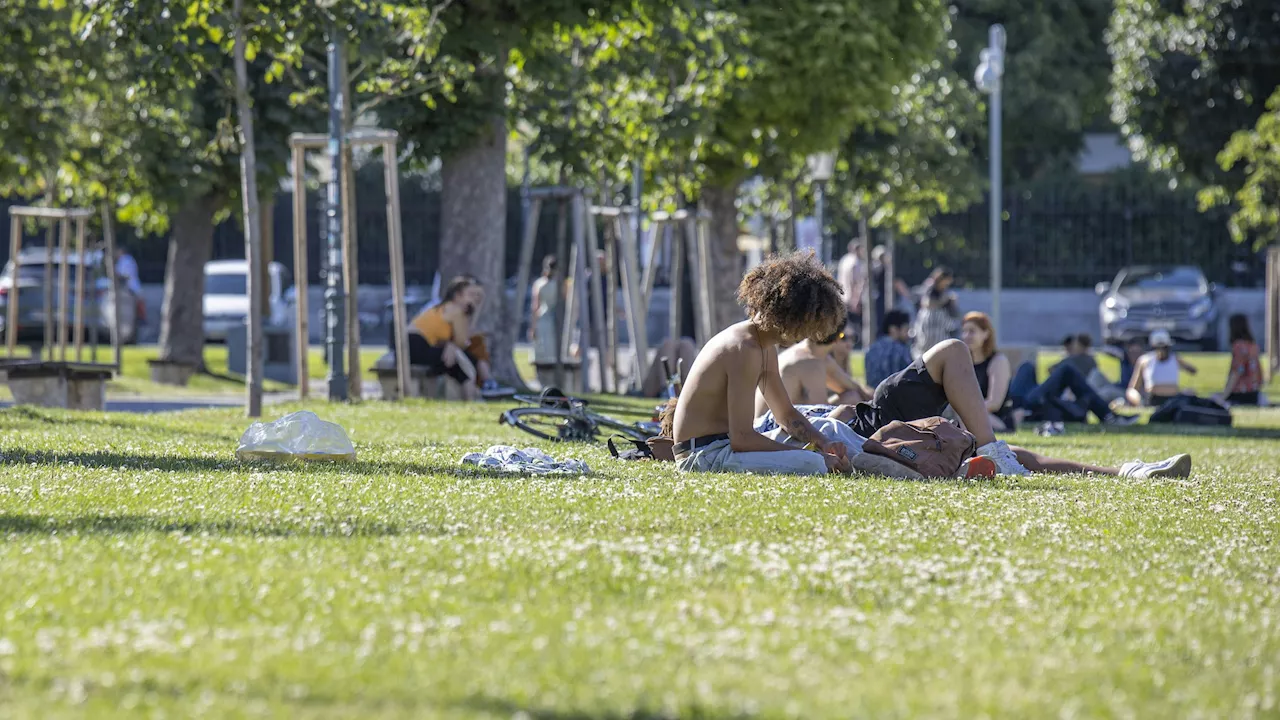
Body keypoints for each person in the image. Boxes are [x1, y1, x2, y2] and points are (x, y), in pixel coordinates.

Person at [674, 253, 1189, 478]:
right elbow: (740, 441)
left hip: (849, 424)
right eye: (810, 325)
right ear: (792, 313)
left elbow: (786, 418)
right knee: (949, 448)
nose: (812, 337)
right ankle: (1114, 470)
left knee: (967, 444)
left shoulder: (762, 346)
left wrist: (819, 438)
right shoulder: (745, 347)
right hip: (709, 453)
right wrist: (821, 449)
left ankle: (1122, 470)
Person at [963, 312, 1137, 431]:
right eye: (964, 331)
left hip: (1020, 405)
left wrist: (963, 409)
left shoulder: (996, 361)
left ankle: (1109, 416)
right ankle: (1108, 415)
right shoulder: (964, 362)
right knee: (1060, 370)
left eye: (972, 331)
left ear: (986, 334)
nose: (966, 336)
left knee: (1031, 367)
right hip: (1019, 405)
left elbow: (994, 403)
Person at [404, 276, 507, 400]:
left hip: (408, 347)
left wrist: (451, 345)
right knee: (467, 361)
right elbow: (462, 342)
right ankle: (473, 397)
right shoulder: (457, 310)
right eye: (471, 294)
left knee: (458, 364)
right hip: (417, 346)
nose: (476, 298)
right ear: (458, 295)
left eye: (478, 295)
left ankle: (457, 397)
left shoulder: (442, 307)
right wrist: (452, 345)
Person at [752, 331, 873, 417]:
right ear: (836, 339)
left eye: (853, 337)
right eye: (843, 337)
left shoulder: (817, 356)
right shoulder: (809, 362)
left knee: (852, 397)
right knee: (848, 408)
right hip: (771, 431)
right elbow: (819, 420)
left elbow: (854, 387)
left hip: (772, 425)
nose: (849, 342)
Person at [1125, 329, 1197, 407]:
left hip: (1163, 398)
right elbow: (1193, 370)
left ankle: (1140, 404)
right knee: (1130, 392)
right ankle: (1141, 404)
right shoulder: (1174, 358)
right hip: (1158, 398)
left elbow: (1134, 386)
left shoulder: (1145, 360)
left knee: (1130, 391)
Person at [913, 267, 960, 357]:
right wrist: (945, 299)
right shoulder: (930, 286)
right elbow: (927, 303)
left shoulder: (944, 290)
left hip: (942, 327)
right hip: (930, 326)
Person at [864, 310, 913, 389]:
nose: (908, 334)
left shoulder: (870, 350)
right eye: (906, 330)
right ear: (893, 329)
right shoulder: (902, 350)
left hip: (872, 398)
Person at [1222, 314, 1263, 405]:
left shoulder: (1239, 346)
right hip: (1254, 392)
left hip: (1241, 394)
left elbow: (1237, 372)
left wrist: (1224, 396)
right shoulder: (1253, 346)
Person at [529, 255, 561, 365]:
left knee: (543, 351)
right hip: (555, 319)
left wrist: (532, 327)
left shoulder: (539, 284)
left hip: (544, 319)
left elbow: (535, 307)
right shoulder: (561, 285)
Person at [836, 242, 867, 339]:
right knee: (854, 325)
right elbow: (855, 282)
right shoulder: (856, 263)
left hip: (842, 296)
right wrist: (856, 299)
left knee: (845, 323)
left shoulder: (844, 260)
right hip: (852, 298)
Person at [115, 246, 146, 325]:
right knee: (139, 302)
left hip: (129, 286)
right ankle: (141, 319)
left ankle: (140, 319)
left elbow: (122, 274)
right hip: (134, 284)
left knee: (135, 303)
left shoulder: (124, 260)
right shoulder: (129, 259)